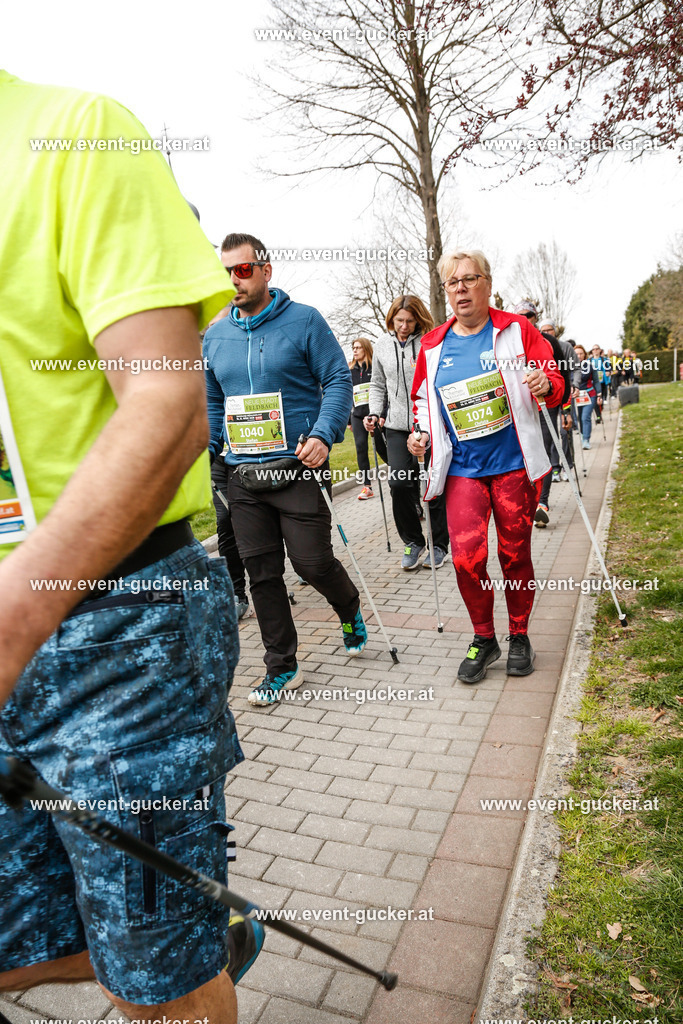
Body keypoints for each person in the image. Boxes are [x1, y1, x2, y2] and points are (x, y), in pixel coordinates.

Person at [0, 73, 260, 1024]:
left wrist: (15, 618)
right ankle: (196, 921)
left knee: (155, 986)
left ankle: (179, 942)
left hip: (117, 621)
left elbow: (165, 404)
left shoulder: (77, 135)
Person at [204, 233, 365, 707]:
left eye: (243, 269)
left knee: (312, 563)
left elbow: (336, 378)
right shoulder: (215, 335)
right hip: (243, 477)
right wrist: (209, 448)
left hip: (296, 467)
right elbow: (215, 400)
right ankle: (282, 666)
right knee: (263, 575)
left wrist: (323, 432)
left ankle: (349, 608)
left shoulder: (304, 321)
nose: (233, 279)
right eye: (225, 271)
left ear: (266, 270)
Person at [408, 250, 564, 682]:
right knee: (465, 559)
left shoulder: (516, 329)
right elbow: (424, 401)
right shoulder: (433, 344)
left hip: (513, 466)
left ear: (487, 283)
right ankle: (484, 637)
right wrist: (420, 434)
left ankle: (519, 635)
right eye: (451, 283)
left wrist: (545, 383)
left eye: (468, 279)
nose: (460, 288)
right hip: (463, 470)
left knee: (515, 555)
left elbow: (554, 384)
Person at [365, 295, 450, 570]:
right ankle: (414, 541)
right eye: (399, 320)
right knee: (399, 483)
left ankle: (439, 545)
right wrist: (375, 412)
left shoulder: (430, 342)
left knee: (431, 484)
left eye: (410, 321)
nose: (404, 326)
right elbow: (377, 384)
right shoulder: (381, 344)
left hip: (428, 424)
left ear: (418, 320)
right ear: (392, 318)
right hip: (397, 427)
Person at [534, 316, 581, 527]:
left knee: (553, 441)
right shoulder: (527, 343)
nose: (547, 333)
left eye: (549, 330)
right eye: (543, 329)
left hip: (554, 403)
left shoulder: (560, 347)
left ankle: (542, 502)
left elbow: (567, 377)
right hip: (528, 408)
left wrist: (567, 410)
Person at [348, 337, 387, 499]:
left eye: (358, 347)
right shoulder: (350, 371)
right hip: (357, 416)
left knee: (381, 447)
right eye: (353, 348)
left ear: (365, 349)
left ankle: (402, 476)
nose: (355, 351)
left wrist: (382, 414)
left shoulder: (375, 368)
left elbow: (384, 392)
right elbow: (347, 395)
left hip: (373, 416)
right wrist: (349, 420)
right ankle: (367, 486)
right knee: (360, 447)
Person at [574, 343, 602, 449]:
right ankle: (582, 434)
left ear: (585, 355)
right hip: (577, 396)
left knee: (585, 417)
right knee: (580, 418)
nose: (579, 356)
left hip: (590, 394)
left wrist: (599, 394)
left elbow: (596, 381)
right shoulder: (570, 366)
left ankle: (586, 439)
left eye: (581, 354)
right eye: (576, 354)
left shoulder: (590, 365)